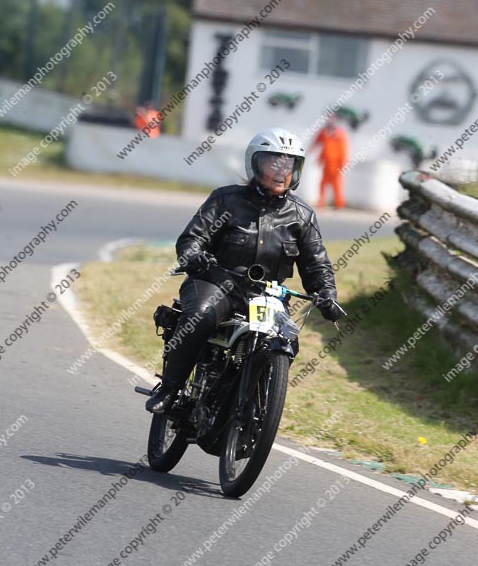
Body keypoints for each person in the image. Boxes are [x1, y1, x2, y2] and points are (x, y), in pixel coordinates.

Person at [146, 127, 344, 414]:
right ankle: (170, 388)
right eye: (273, 162)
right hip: (216, 283)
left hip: (267, 297)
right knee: (198, 317)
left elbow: (317, 264)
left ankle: (253, 407)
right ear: (255, 163)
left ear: (297, 170)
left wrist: (327, 293)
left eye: (288, 165)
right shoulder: (225, 199)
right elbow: (191, 239)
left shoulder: (302, 215)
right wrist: (195, 257)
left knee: (285, 341)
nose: (281, 171)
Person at [310, 114, 350, 209]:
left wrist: (342, 164)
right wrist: (315, 155)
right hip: (326, 164)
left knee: (336, 185)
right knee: (322, 184)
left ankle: (339, 204)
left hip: (336, 165)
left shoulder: (340, 135)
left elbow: (343, 151)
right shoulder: (324, 133)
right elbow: (317, 142)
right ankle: (321, 202)